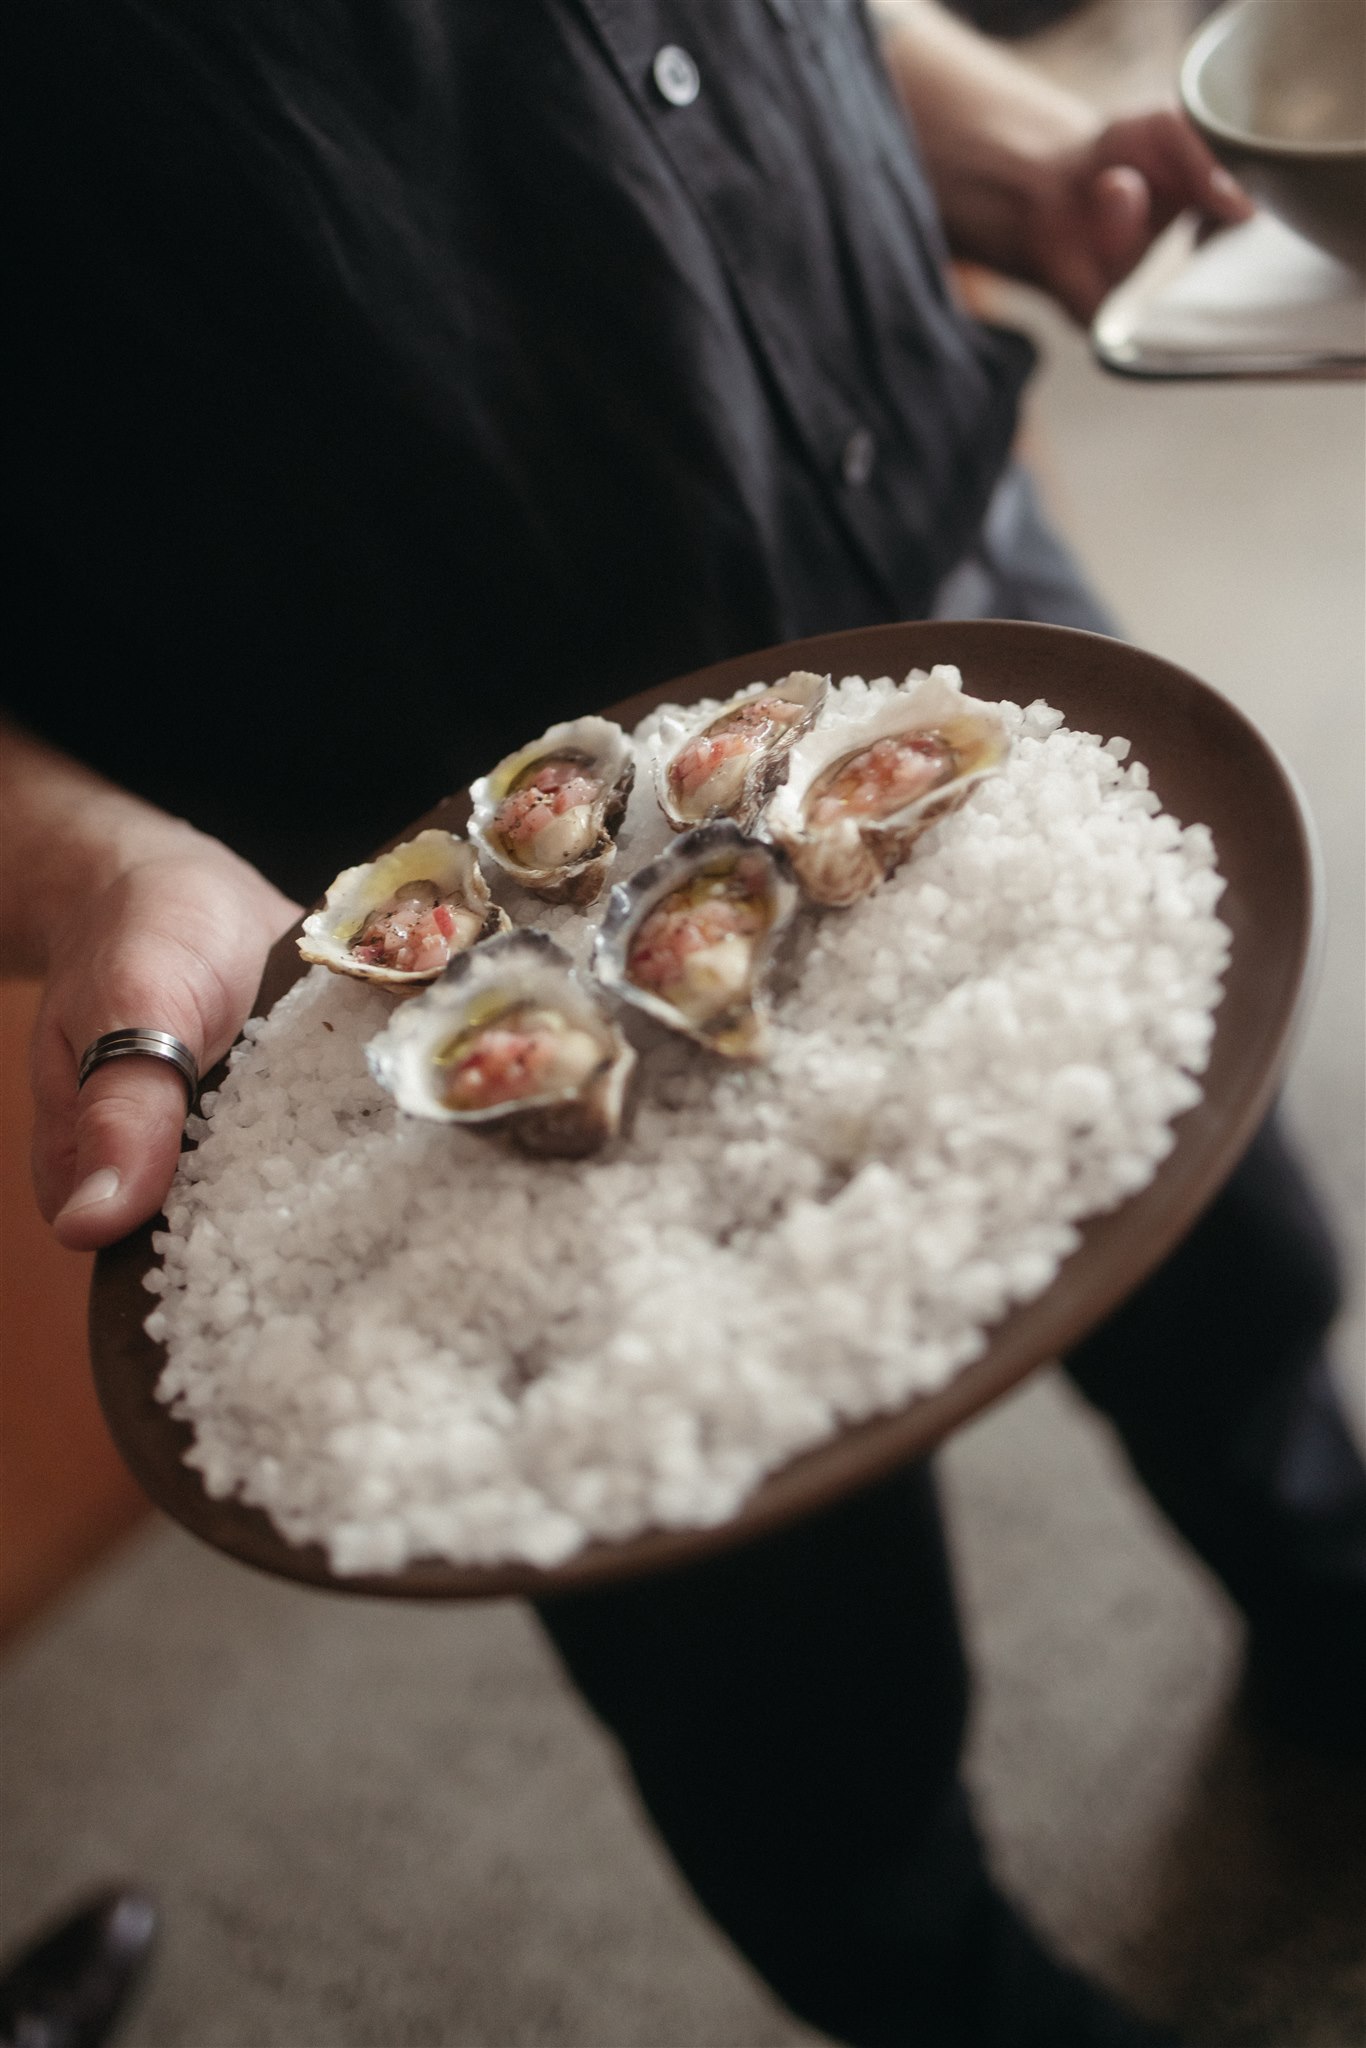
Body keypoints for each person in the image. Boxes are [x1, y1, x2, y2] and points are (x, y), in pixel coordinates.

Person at [6, 4, 1363, 2043]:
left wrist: (949, 110)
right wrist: (80, 860)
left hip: (922, 566)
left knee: (1232, 1267)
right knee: (784, 1694)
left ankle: (1321, 1587)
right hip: (410, 862)